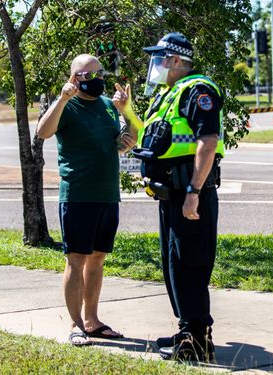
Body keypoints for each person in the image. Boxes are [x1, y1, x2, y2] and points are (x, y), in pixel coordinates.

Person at [113, 32, 224, 362]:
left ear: (176, 60)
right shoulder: (169, 94)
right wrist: (126, 110)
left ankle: (197, 339)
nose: (155, 64)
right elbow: (145, 139)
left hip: (189, 195)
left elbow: (208, 141)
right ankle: (186, 329)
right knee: (174, 265)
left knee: (190, 264)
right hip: (169, 196)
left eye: (160, 58)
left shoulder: (197, 90)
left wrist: (194, 191)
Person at [37, 54, 135, 346]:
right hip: (77, 195)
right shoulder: (67, 106)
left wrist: (128, 117)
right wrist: (63, 99)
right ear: (74, 78)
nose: (96, 79)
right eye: (87, 75)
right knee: (76, 259)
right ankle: (75, 325)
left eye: (99, 73)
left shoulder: (107, 106)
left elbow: (122, 142)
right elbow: (43, 131)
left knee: (98, 260)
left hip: (107, 194)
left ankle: (92, 321)